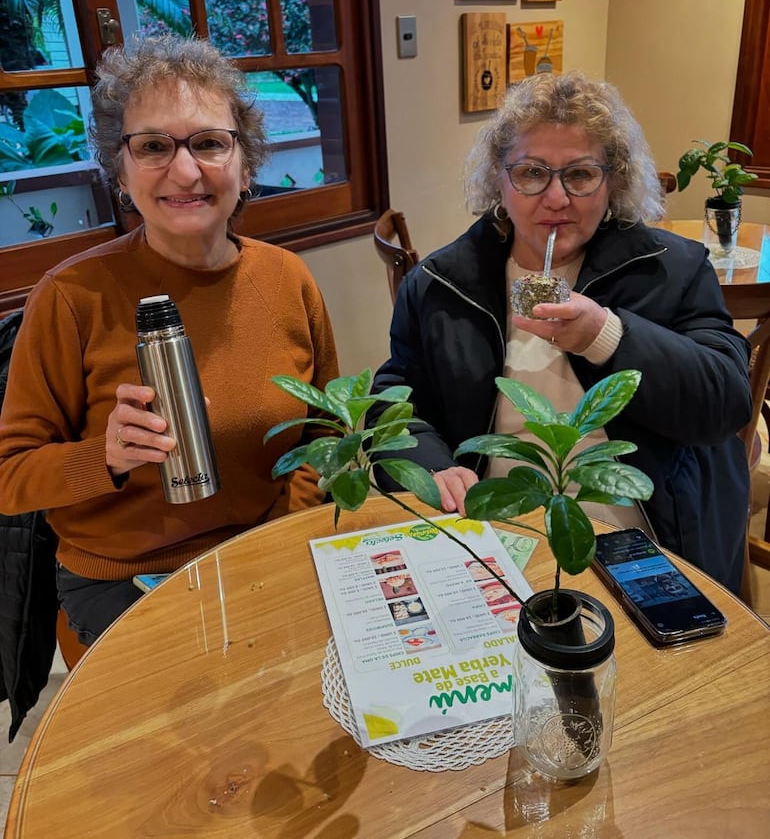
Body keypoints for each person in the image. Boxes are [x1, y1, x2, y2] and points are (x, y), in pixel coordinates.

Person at [0, 35, 339, 646]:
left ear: (246, 161)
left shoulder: (286, 278)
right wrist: (105, 455)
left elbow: (327, 428)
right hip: (127, 577)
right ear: (120, 169)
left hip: (263, 548)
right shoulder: (70, 297)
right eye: (153, 146)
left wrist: (289, 520)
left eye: (209, 143)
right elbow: (11, 476)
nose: (186, 171)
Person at [372, 71, 752, 594]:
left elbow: (726, 402)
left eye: (579, 175)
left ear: (613, 181)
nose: (556, 199)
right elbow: (395, 407)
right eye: (531, 173)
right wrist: (431, 467)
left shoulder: (674, 268)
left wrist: (607, 336)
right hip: (495, 535)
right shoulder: (439, 284)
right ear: (498, 183)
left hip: (645, 534)